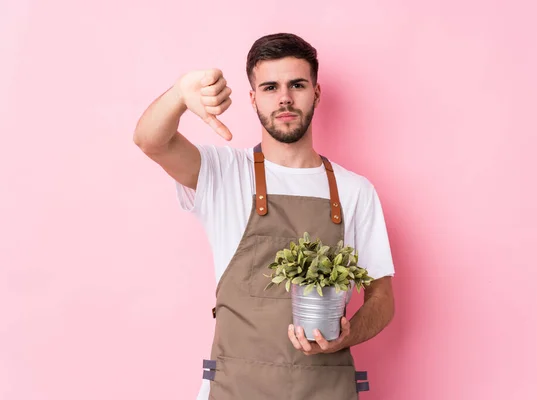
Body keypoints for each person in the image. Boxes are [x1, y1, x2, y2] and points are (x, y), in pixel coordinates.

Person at [133, 32, 396, 400]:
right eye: (271, 87)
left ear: (316, 93)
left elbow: (382, 298)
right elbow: (151, 141)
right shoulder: (225, 175)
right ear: (253, 97)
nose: (285, 98)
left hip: (325, 390)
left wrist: (348, 333)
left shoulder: (355, 192)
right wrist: (180, 94)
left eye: (298, 85)